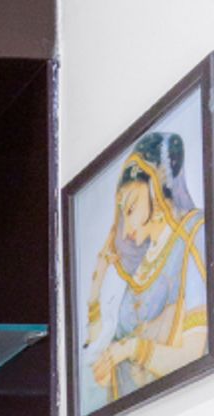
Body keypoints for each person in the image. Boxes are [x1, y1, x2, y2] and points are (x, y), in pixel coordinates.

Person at [86, 131, 208, 402]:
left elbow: (193, 354)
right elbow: (102, 351)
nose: (126, 227)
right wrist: (96, 284)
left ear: (155, 187)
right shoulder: (142, 268)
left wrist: (132, 350)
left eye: (130, 208)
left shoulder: (194, 234)